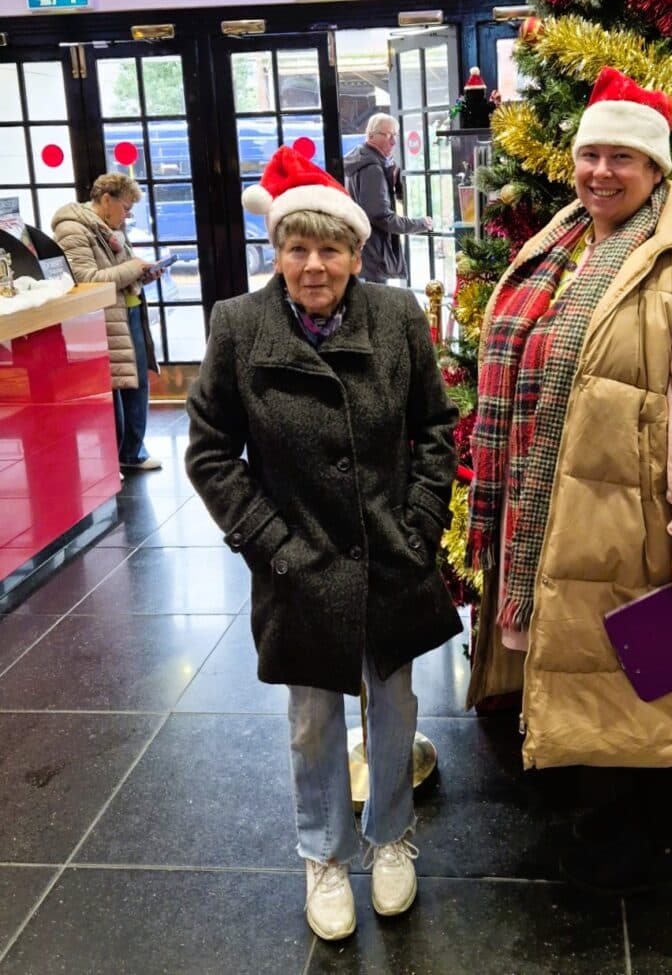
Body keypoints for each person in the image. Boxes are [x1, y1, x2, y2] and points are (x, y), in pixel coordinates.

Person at [465, 67, 672, 901]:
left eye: (622, 157)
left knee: (647, 682)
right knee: (595, 673)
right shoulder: (561, 240)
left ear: (656, 168)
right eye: (590, 153)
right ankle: (606, 825)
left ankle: (652, 850)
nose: (600, 172)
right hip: (556, 510)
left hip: (635, 520)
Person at [185, 145, 460, 943]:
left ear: (355, 250)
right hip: (297, 563)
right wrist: (269, 542)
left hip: (390, 552)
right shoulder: (239, 326)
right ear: (277, 251)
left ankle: (391, 835)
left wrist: (418, 523)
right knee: (312, 720)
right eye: (297, 248)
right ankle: (325, 853)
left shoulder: (398, 317)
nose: (314, 265)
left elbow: (434, 429)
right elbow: (209, 451)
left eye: (330, 247)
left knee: (394, 703)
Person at [52, 174, 162, 471]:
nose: (127, 216)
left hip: (128, 312)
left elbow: (119, 273)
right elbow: (86, 280)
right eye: (125, 208)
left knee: (135, 383)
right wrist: (132, 267)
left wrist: (143, 273)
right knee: (113, 392)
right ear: (105, 200)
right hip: (104, 320)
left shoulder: (108, 229)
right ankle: (116, 459)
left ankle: (131, 451)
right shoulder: (72, 229)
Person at [343, 114, 432, 282]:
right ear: (371, 136)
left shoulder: (362, 160)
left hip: (364, 253)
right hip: (373, 255)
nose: (394, 142)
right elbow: (380, 216)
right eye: (388, 135)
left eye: (395, 135)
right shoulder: (372, 169)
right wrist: (420, 223)